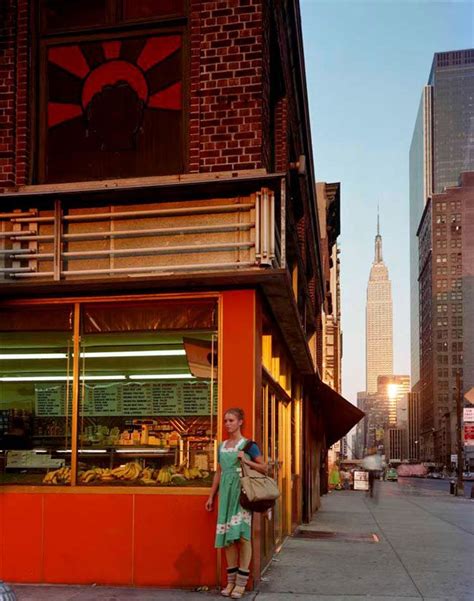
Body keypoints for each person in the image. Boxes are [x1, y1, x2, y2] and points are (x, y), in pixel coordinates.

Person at [205, 408, 267, 598]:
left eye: (231, 420)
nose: (227, 424)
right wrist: (211, 496)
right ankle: (230, 582)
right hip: (225, 494)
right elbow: (219, 472)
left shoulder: (249, 445)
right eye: (225, 421)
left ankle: (241, 583)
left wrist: (246, 461)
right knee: (228, 540)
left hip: (241, 494)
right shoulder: (221, 446)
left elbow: (264, 468)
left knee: (242, 536)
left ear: (240, 422)